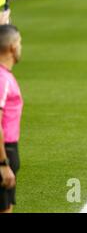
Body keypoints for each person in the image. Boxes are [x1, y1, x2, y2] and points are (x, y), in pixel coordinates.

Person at [0, 23, 23, 213]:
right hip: (4, 150)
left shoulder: (5, 76)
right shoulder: (2, 79)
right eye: (20, 43)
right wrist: (3, 163)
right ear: (12, 47)